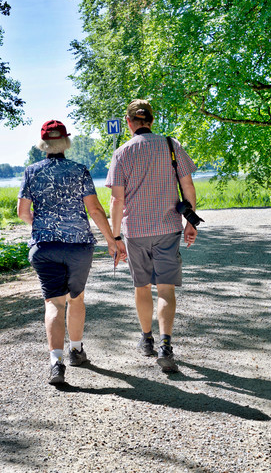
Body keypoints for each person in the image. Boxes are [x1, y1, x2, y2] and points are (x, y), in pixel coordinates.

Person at [18, 119, 125, 386]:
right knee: (76, 299)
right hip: (78, 246)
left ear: (43, 143)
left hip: (45, 247)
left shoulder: (32, 171)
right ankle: (76, 350)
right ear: (66, 141)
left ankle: (56, 363)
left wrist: (41, 226)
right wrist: (112, 240)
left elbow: (22, 212)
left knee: (54, 302)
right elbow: (96, 210)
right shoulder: (79, 171)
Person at [106, 99, 199, 373]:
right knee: (166, 288)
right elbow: (188, 185)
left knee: (142, 287)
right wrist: (190, 222)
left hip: (134, 231)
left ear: (129, 122)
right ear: (152, 120)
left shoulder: (121, 153)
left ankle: (146, 339)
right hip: (168, 228)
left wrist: (115, 238)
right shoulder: (172, 145)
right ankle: (166, 344)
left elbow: (116, 200)